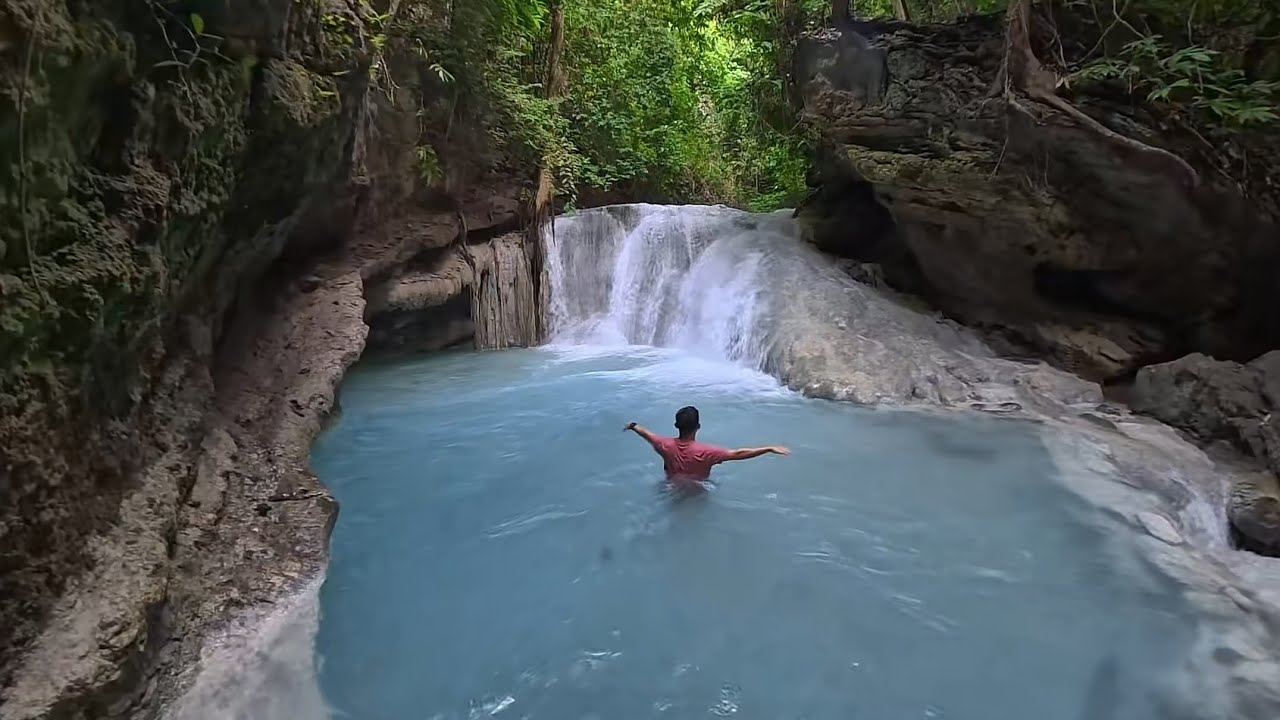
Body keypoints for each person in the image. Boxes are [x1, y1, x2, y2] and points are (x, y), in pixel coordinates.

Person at [624, 406, 789, 486]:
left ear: (676, 426)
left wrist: (632, 425)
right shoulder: (707, 452)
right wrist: (768, 448)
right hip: (698, 491)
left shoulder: (663, 445)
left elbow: (646, 433)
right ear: (698, 427)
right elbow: (738, 454)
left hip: (670, 487)